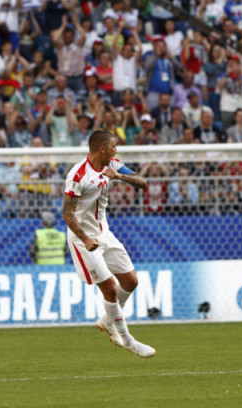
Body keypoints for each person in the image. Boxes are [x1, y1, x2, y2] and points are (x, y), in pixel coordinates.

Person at [62, 130, 155, 358]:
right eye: (113, 146)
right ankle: (127, 339)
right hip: (83, 239)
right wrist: (86, 239)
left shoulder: (112, 164)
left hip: (104, 233)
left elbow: (142, 182)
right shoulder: (78, 175)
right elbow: (67, 214)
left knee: (131, 281)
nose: (116, 150)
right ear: (102, 148)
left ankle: (107, 320)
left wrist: (120, 176)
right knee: (111, 289)